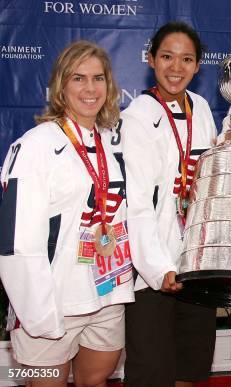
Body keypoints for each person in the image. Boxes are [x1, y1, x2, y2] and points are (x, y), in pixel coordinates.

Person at [0, 40, 133, 386]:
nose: (90, 88)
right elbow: (14, 242)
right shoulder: (34, 146)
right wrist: (38, 314)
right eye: (79, 78)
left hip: (106, 294)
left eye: (98, 78)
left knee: (97, 380)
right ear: (61, 85)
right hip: (53, 301)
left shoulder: (110, 141)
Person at [119, 21, 217, 387]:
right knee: (151, 371)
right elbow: (138, 205)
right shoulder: (136, 118)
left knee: (191, 366)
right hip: (153, 272)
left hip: (196, 262)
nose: (176, 68)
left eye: (186, 59)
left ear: (197, 66)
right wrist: (158, 269)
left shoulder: (203, 108)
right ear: (151, 59)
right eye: (167, 57)